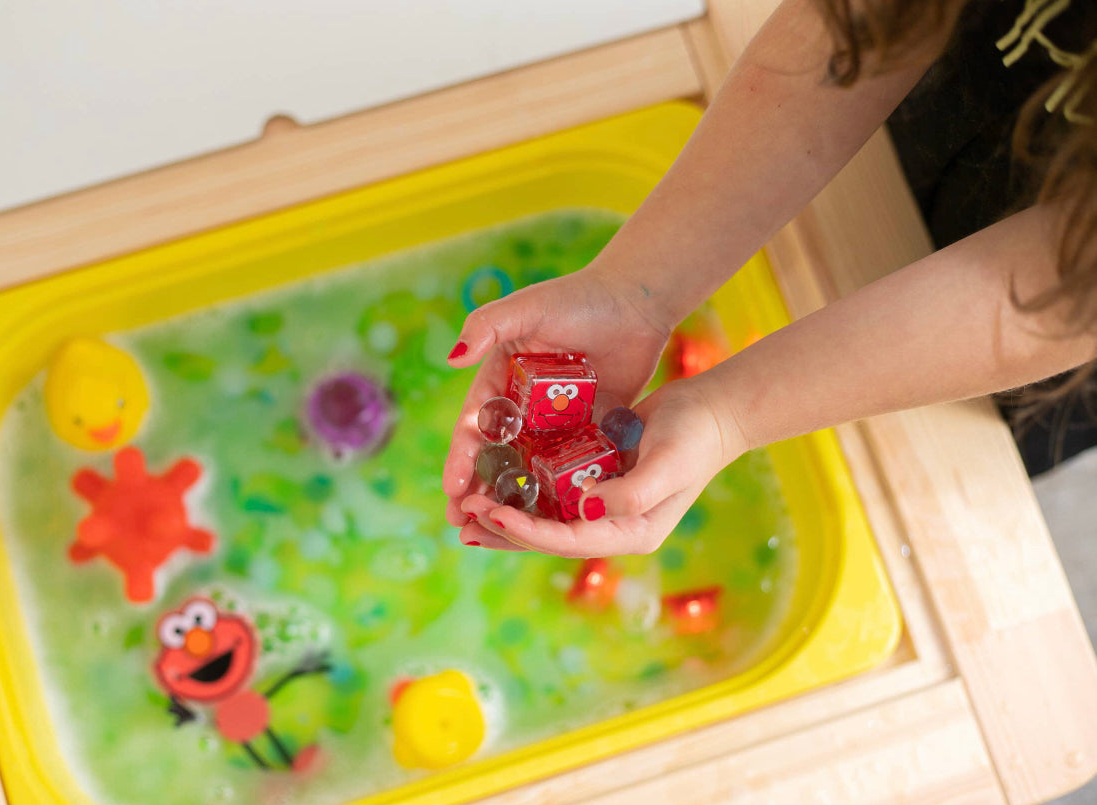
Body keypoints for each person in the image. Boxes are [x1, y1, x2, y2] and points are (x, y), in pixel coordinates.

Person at [442, 0, 1097, 557]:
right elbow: (865, 19)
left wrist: (728, 414)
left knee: (958, 444)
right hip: (923, 113)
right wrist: (636, 287)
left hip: (1027, 328)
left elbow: (1060, 292)